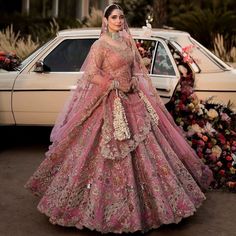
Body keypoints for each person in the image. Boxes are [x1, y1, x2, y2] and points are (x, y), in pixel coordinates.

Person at [25, 4, 213, 234]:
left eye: (121, 16)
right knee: (93, 150)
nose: (118, 20)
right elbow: (92, 75)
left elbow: (135, 70)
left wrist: (132, 82)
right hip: (109, 101)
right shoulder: (100, 45)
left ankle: (151, 206)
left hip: (132, 100)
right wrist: (112, 83)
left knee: (148, 148)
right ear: (105, 20)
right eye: (114, 17)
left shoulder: (126, 42)